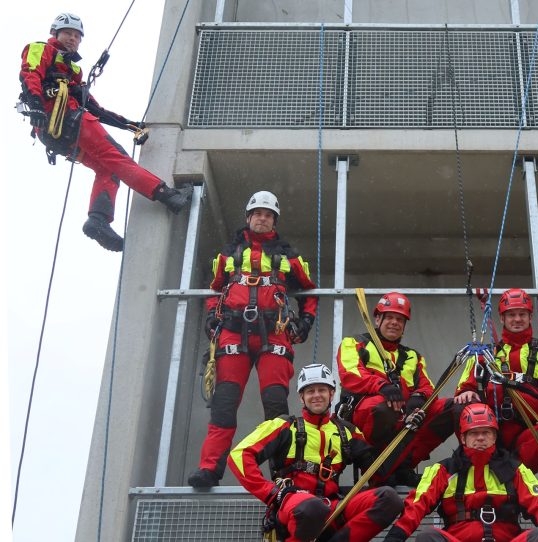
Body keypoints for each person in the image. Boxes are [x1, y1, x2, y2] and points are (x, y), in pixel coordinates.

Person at [19, 13, 192, 252]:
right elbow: (30, 74)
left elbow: (94, 107)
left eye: (77, 36)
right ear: (55, 34)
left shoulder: (73, 70)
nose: (72, 39)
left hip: (56, 133)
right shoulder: (40, 49)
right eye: (67, 33)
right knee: (116, 157)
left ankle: (98, 220)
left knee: (107, 169)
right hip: (66, 119)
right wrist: (37, 105)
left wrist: (128, 124)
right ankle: (166, 194)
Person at [188, 190, 318, 488]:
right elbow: (214, 291)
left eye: (268, 215)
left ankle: (283, 471)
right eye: (258, 213)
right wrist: (211, 318)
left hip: (275, 333)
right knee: (223, 403)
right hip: (233, 332)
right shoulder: (227, 255)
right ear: (248, 218)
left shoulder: (290, 257)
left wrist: (306, 321)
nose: (262, 218)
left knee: (275, 405)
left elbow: (310, 295)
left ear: (275, 221)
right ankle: (209, 469)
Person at [228, 364, 404, 542]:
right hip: (293, 506)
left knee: (389, 499)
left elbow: (379, 472)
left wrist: (407, 429)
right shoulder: (284, 426)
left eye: (322, 390)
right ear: (301, 397)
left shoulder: (347, 432)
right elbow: (238, 456)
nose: (317, 395)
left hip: (330, 507)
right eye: (310, 391)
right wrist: (273, 493)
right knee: (312, 508)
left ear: (332, 394)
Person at [383, 403, 538, 542]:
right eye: (474, 433)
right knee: (428, 538)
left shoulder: (516, 470)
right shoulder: (443, 470)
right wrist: (394, 537)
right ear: (463, 438)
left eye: (486, 432)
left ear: (494, 437)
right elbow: (416, 507)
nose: (481, 438)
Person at [335, 291, 455, 486]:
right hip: (364, 419)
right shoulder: (355, 343)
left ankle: (402, 466)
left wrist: (418, 398)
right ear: (377, 319)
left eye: (400, 319)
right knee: (383, 406)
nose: (394, 323)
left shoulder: (412, 356)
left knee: (450, 407)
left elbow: (428, 387)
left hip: (403, 418)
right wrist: (380, 385)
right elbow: (350, 374)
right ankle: (376, 466)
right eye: (389, 317)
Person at [454, 288, 538, 472]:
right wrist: (467, 391)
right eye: (511, 315)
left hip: (530, 429)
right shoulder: (486, 353)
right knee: (457, 406)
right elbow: (465, 384)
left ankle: (514, 475)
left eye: (522, 314)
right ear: (502, 319)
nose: (517, 319)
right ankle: (478, 464)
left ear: (530, 317)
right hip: (489, 429)